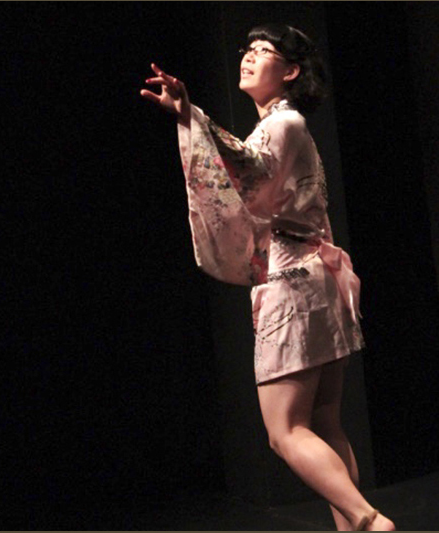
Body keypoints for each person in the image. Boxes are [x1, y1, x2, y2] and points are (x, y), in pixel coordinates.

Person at [140, 23, 395, 531]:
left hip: (294, 282)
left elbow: (247, 174)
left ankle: (367, 521)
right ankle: (354, 528)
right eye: (247, 49)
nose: (249, 56)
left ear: (291, 71)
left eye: (264, 51)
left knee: (285, 432)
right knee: (324, 422)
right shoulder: (289, 126)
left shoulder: (283, 123)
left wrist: (191, 115)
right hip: (318, 277)